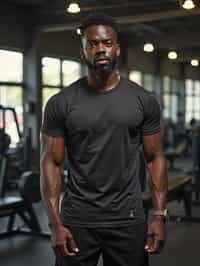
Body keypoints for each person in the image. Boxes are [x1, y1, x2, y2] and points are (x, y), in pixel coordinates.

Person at [40, 13, 168, 266]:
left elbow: (154, 158)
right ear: (83, 50)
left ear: (117, 48)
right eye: (93, 44)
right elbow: (50, 163)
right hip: (77, 218)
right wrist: (55, 224)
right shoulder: (60, 103)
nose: (100, 49)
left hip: (129, 218)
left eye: (107, 43)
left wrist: (159, 215)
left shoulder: (143, 100)